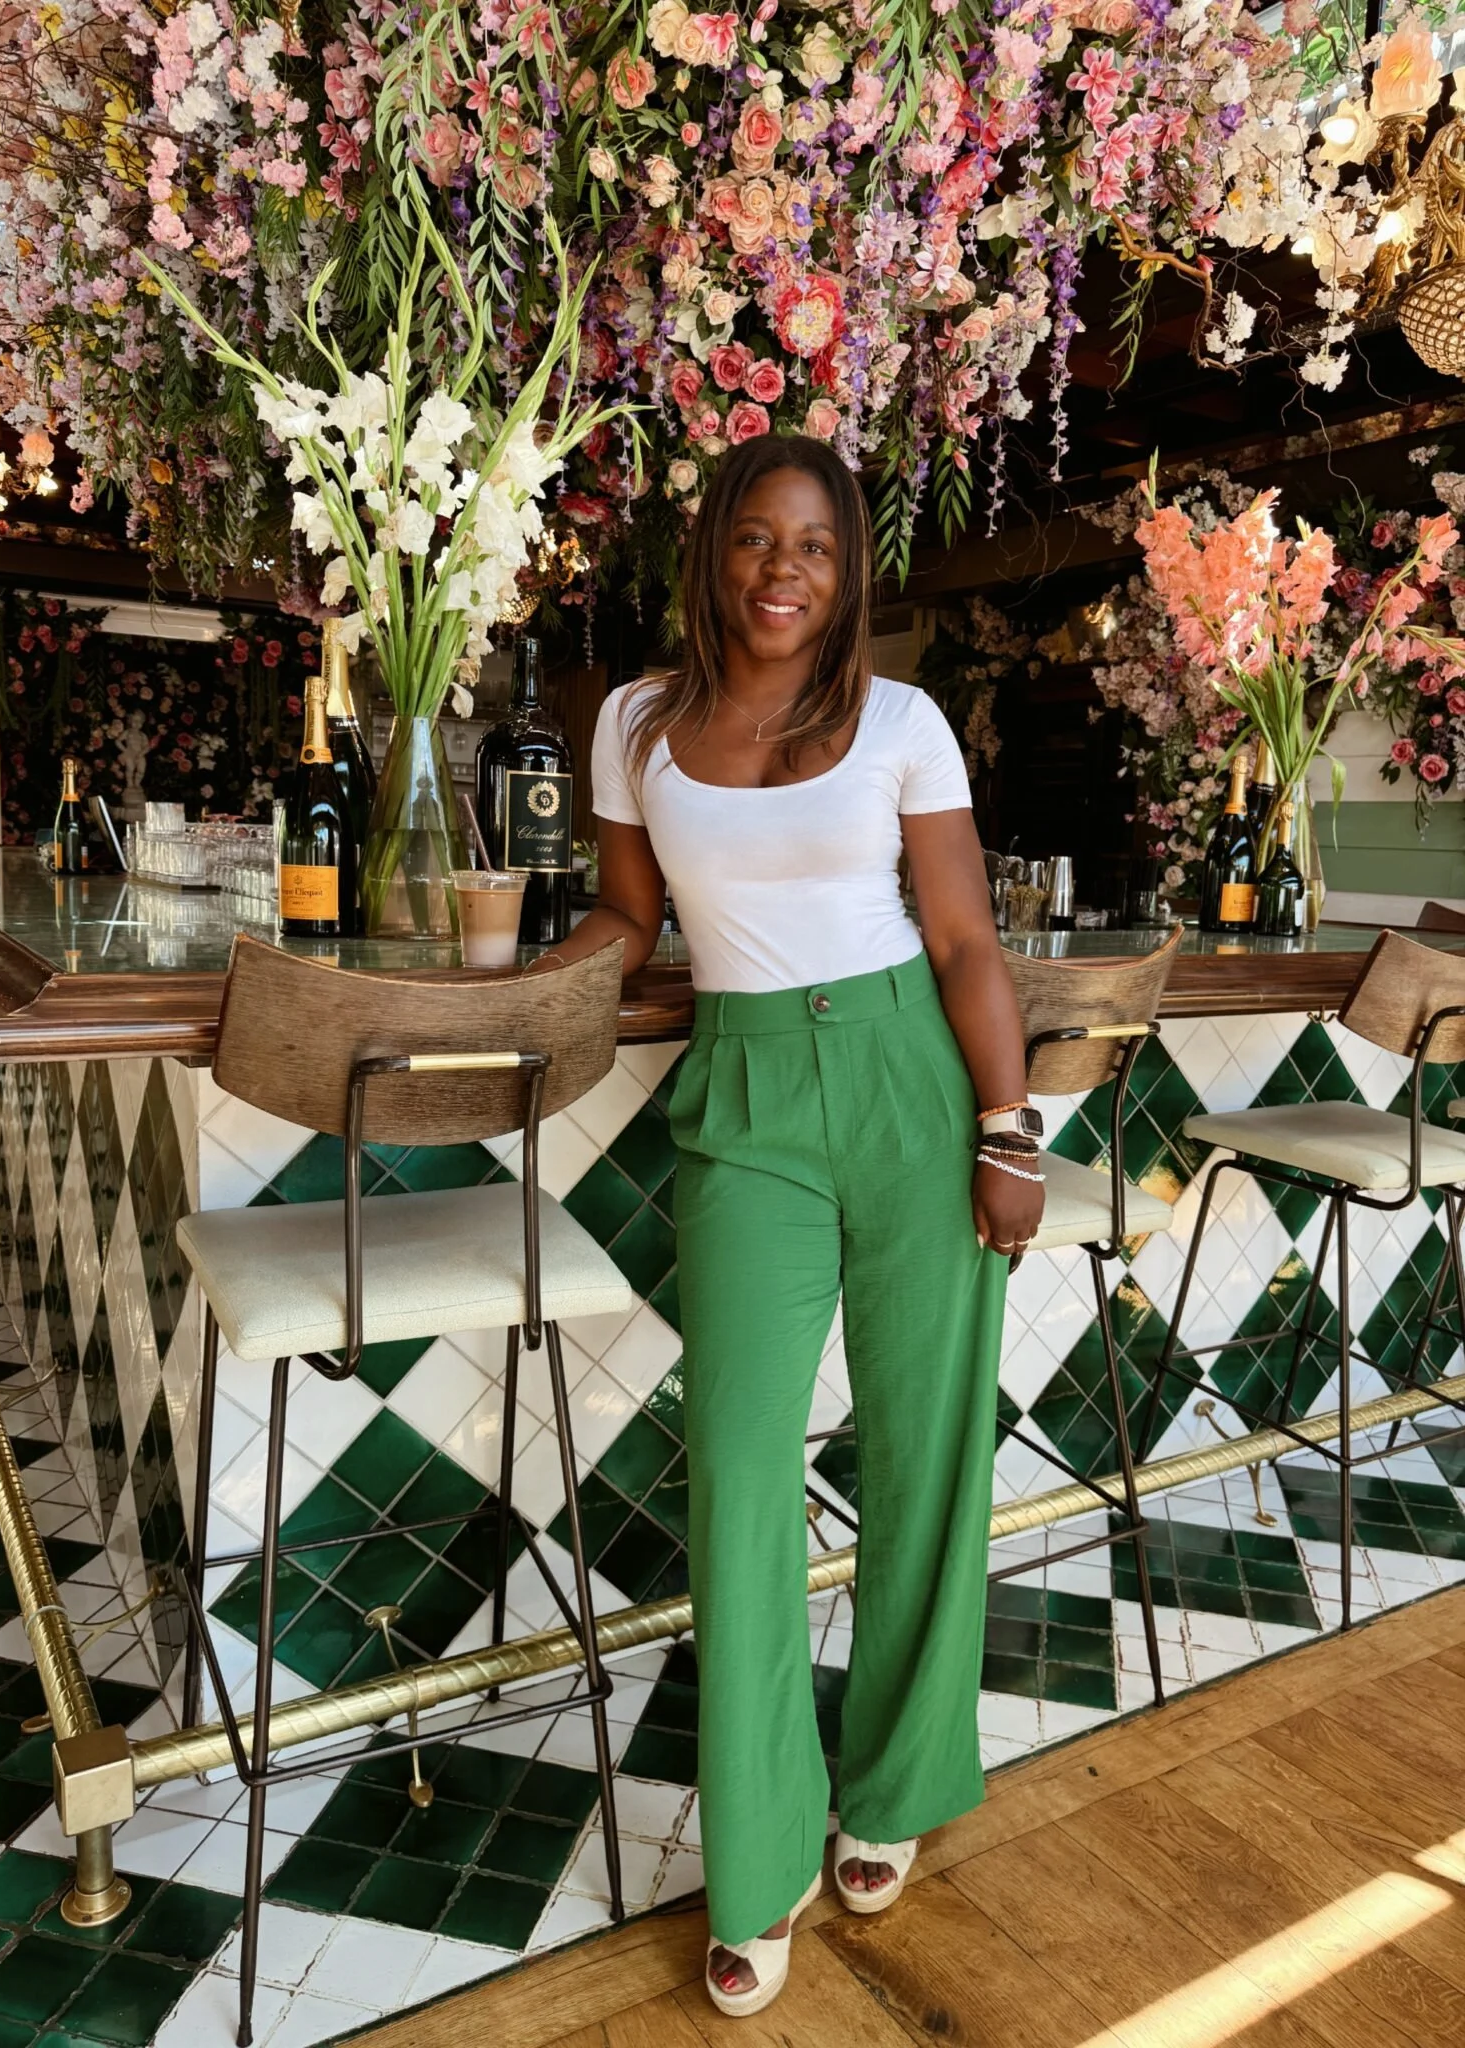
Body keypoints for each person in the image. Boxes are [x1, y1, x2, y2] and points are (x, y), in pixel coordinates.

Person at [525, 434, 1043, 2018]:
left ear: (848, 571)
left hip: (907, 1081)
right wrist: (534, 980)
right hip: (745, 1091)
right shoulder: (632, 723)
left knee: (922, 1446)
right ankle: (758, 1860)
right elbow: (632, 914)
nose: (782, 573)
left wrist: (1007, 1126)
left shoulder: (901, 721)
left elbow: (961, 938)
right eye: (757, 541)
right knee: (740, 1463)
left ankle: (889, 1786)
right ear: (713, 556)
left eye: (814, 548)